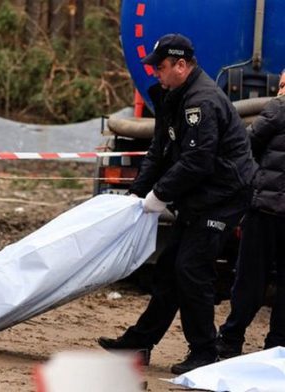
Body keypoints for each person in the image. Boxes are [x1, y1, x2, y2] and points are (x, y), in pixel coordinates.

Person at [97, 33, 256, 374]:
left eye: (161, 67)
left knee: (190, 269)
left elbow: (198, 160)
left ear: (181, 65)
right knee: (169, 267)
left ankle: (204, 351)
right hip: (201, 195)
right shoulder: (174, 96)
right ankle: (139, 341)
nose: (156, 73)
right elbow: (159, 151)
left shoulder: (203, 101)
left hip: (223, 197)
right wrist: (137, 195)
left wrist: (160, 195)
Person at [216, 69, 285, 358]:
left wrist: (254, 184)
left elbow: (245, 147)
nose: (279, 88)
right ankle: (277, 348)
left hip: (266, 211)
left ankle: (230, 341)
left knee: (249, 280)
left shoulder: (279, 109)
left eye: (283, 83)